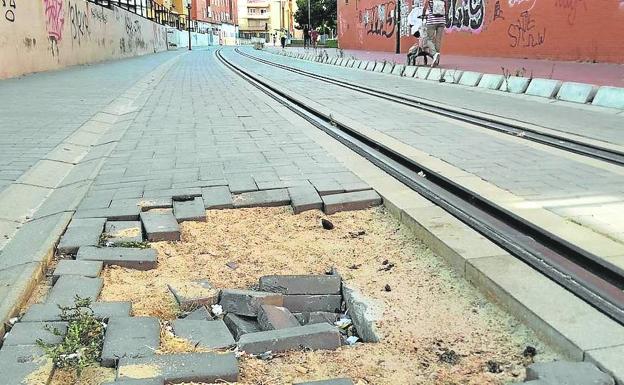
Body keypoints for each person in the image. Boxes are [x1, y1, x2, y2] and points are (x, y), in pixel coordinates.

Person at [422, 0, 447, 67]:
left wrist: (423, 14)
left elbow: (425, 7)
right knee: (438, 41)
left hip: (432, 22)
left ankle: (434, 54)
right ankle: (436, 59)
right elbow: (445, 8)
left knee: (428, 39)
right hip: (442, 21)